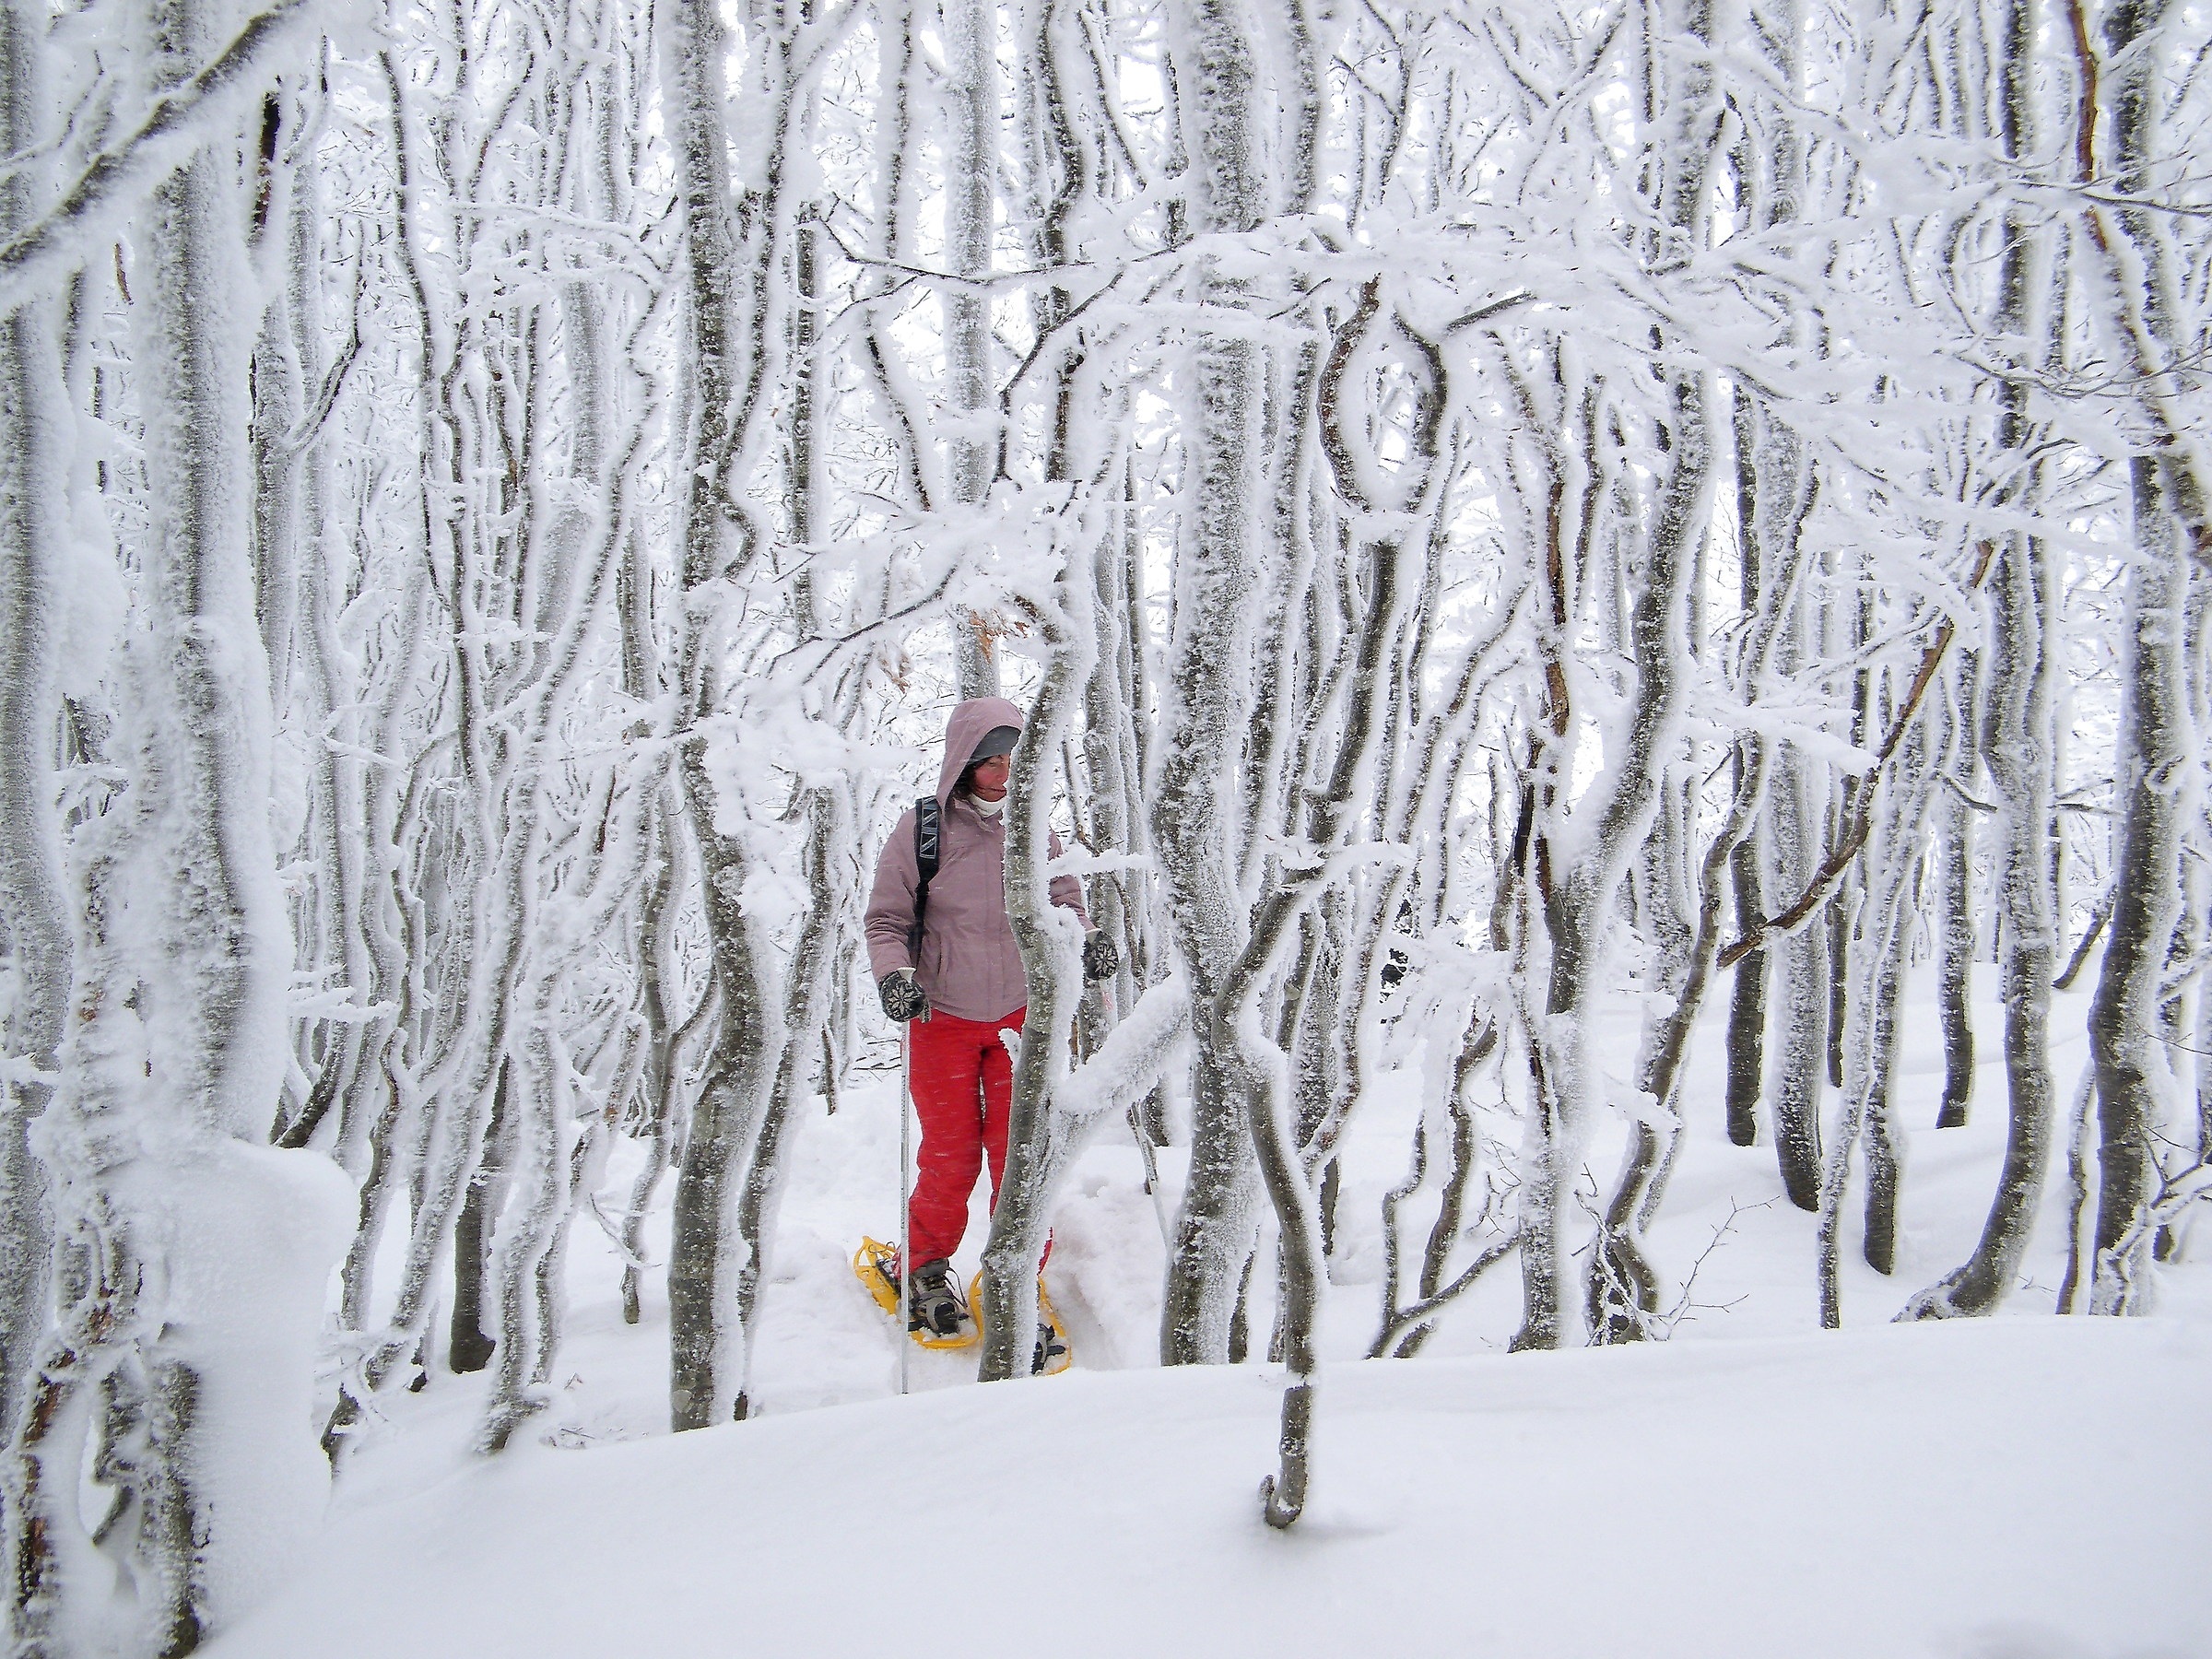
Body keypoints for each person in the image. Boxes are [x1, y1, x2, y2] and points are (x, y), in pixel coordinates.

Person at [863, 696, 1118, 1364]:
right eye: (990, 761)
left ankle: (1016, 1278)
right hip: (940, 1017)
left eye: (1014, 760)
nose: (1003, 774)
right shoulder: (923, 829)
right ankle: (923, 1268)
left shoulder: (1038, 833)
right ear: (964, 764)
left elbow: (1067, 906)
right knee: (950, 1157)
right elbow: (886, 920)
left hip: (1021, 1023)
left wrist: (1087, 942)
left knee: (1022, 1161)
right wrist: (896, 975)